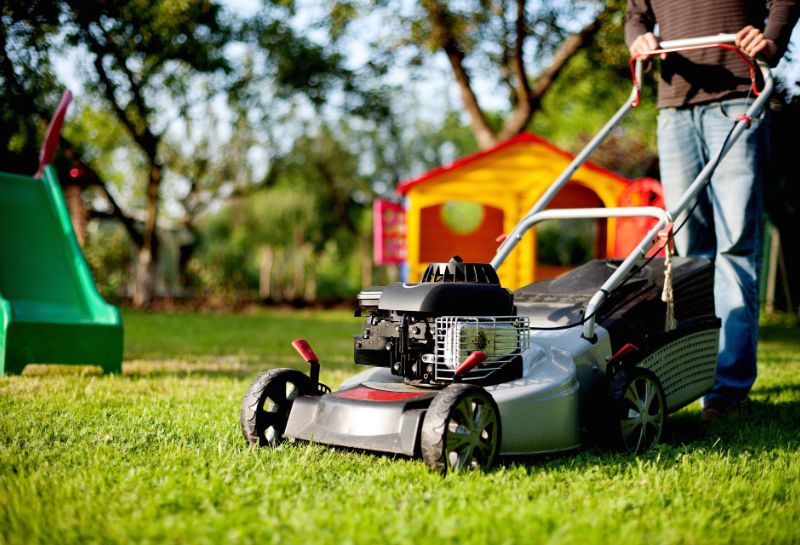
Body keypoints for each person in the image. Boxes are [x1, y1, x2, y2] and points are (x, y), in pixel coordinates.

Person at [625, 1, 799, 420]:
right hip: (674, 106)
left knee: (737, 244)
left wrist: (771, 38)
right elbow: (636, 16)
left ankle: (725, 390)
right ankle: (692, 376)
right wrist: (639, 40)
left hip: (739, 96)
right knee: (689, 254)